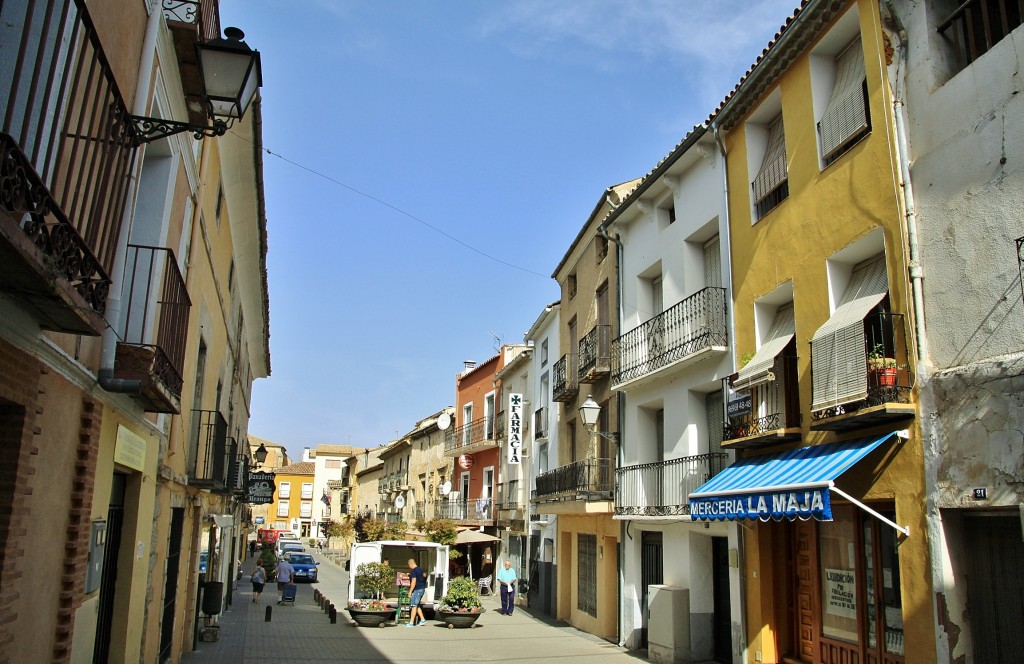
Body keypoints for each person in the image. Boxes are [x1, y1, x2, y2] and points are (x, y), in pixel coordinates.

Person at [405, 558, 428, 626]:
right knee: (417, 605)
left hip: (417, 589)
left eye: (409, 565)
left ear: (410, 564)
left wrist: (410, 592)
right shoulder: (420, 569)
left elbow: (413, 582)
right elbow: (423, 575)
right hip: (422, 588)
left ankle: (411, 622)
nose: (409, 567)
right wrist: (410, 575)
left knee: (414, 605)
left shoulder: (414, 571)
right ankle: (422, 620)